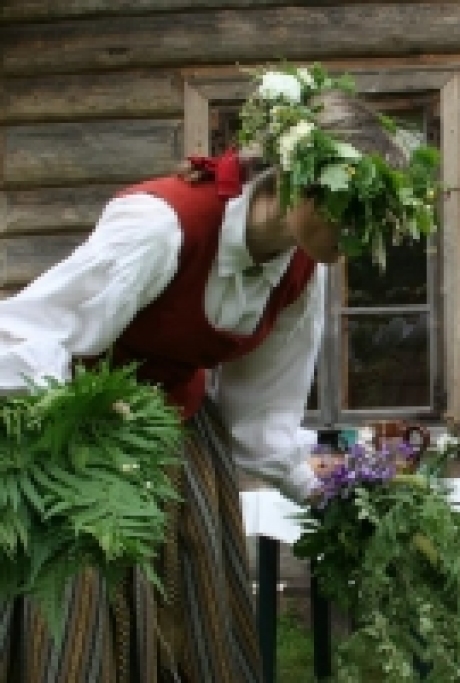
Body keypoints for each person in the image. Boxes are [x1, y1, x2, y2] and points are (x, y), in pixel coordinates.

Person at [0, 151, 343, 682]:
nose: (366, 242)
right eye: (355, 210)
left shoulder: (301, 272)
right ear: (302, 181)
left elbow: (260, 416)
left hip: (183, 437)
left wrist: (336, 497)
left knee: (195, 621)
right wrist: (75, 425)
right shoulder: (162, 225)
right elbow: (27, 333)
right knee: (81, 616)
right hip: (81, 436)